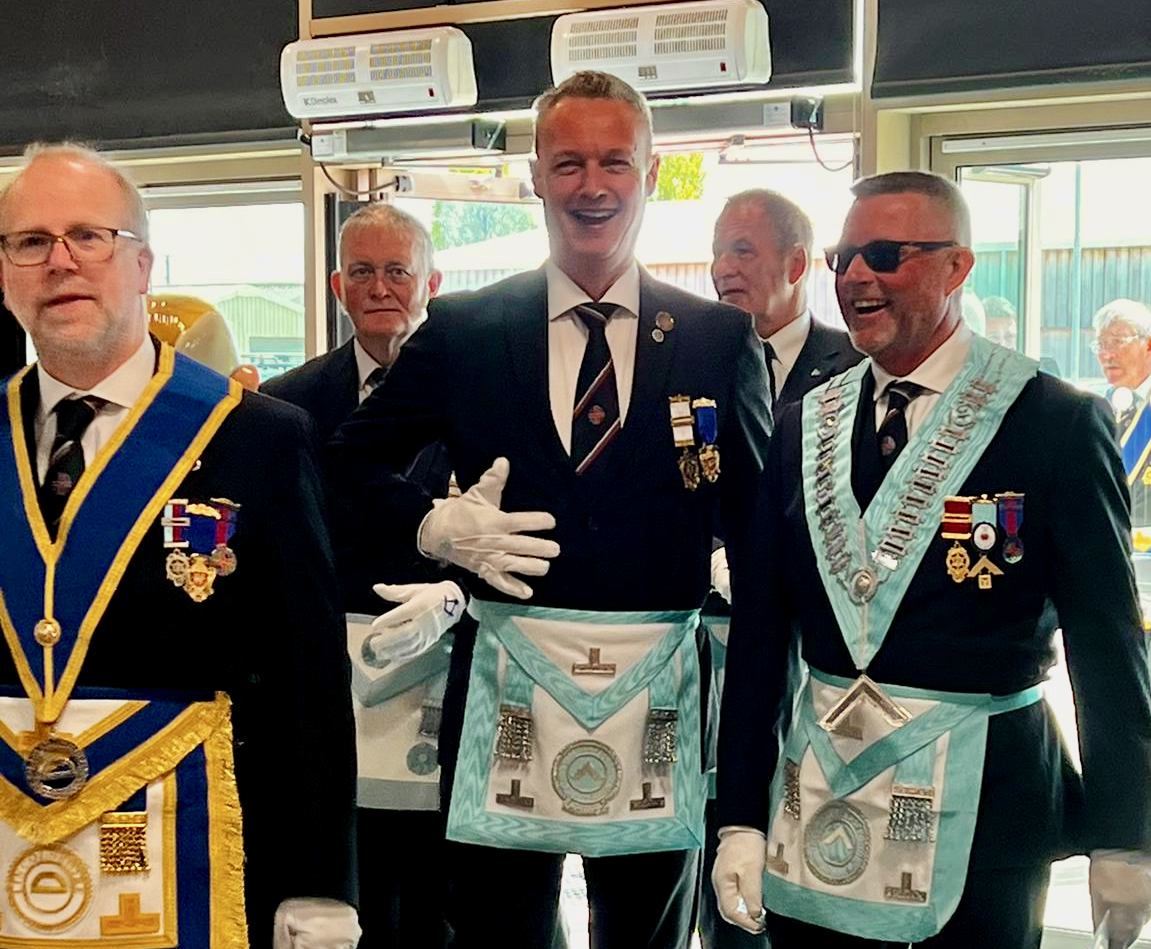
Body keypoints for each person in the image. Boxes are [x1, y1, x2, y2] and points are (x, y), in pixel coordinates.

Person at [329, 71, 772, 949]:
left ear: (651, 173)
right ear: (535, 176)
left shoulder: (716, 340)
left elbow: (760, 536)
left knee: (645, 938)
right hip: (506, 695)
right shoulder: (467, 328)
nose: (591, 185)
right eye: (568, 163)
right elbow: (342, 464)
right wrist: (429, 525)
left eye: (614, 162)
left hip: (660, 699)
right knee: (497, 936)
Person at [713, 171, 1151, 949]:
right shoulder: (804, 424)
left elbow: (1107, 644)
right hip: (821, 802)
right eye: (843, 257)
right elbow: (759, 635)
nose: (855, 275)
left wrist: (1125, 833)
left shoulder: (1052, 422)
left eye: (885, 255)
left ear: (956, 267)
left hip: (983, 816)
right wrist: (739, 816)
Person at [0, 143, 359, 948]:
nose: (61, 261)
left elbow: (306, 675)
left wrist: (320, 883)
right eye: (31, 242)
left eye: (89, 236)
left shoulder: (256, 437)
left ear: (142, 265)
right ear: (4, 275)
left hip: (203, 854)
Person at [263, 202, 455, 949]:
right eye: (363, 272)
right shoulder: (284, 404)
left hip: (450, 666)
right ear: (338, 286)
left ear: (431, 282)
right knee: (353, 883)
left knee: (447, 899)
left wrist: (455, 591)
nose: (380, 288)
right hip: (334, 677)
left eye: (398, 270)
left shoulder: (480, 393)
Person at [701, 188, 861, 949]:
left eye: (742, 250)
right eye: (717, 252)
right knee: (717, 851)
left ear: (797, 265)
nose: (722, 269)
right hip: (703, 651)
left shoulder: (856, 365)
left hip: (814, 654)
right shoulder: (693, 359)